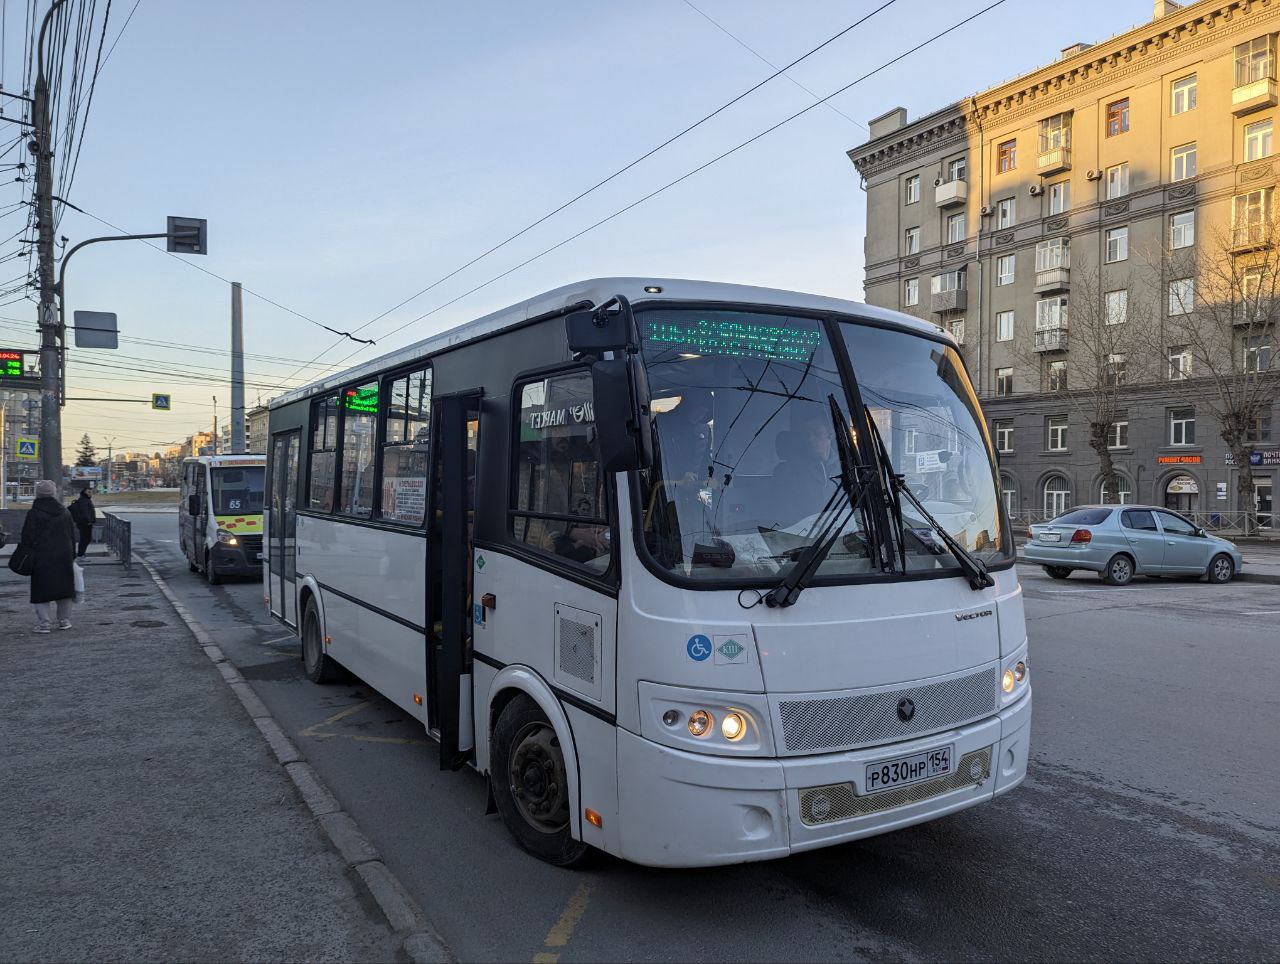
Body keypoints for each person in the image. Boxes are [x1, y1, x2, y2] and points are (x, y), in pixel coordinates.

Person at [20, 479, 77, 633]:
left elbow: (27, 536)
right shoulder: (64, 511)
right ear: (53, 493)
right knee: (64, 589)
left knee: (41, 590)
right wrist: (72, 554)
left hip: (41, 556)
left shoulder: (34, 512)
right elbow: (73, 535)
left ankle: (44, 624)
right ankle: (64, 621)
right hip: (64, 555)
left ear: (37, 494)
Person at [69, 487, 96, 558]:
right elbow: (85, 512)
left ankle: (81, 554)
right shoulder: (84, 500)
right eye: (88, 492)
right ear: (84, 493)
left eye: (91, 492)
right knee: (85, 539)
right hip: (85, 523)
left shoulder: (85, 499)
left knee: (85, 539)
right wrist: (89, 521)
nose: (90, 493)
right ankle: (80, 555)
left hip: (84, 523)